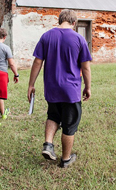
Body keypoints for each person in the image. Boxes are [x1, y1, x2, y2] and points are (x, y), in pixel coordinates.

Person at [27, 9, 92, 168]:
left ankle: (48, 144)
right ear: (74, 23)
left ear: (59, 20)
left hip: (52, 88)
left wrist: (31, 84)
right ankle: (65, 159)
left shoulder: (47, 36)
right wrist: (88, 87)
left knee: (53, 116)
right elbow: (86, 68)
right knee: (69, 125)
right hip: (71, 90)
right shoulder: (79, 39)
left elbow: (37, 62)